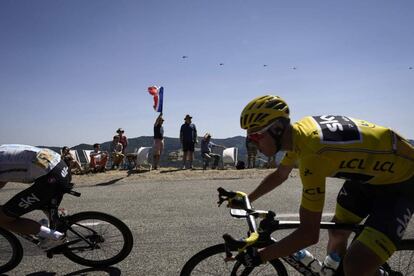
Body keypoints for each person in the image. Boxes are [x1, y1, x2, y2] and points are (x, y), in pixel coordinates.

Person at [236, 95, 414, 276]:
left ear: (278, 128)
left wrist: (260, 256)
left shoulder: (313, 154)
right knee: (338, 233)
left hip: (403, 182)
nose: (253, 144)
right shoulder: (298, 136)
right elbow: (281, 174)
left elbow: (309, 234)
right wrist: (246, 199)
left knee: (355, 266)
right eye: (249, 138)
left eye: (256, 136)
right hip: (369, 176)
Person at [0, 144, 71, 250]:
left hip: (50, 178)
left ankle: (56, 237)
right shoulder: (3, 149)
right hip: (61, 166)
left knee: (2, 218)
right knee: (41, 199)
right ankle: (55, 217)